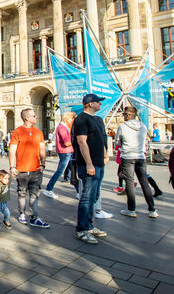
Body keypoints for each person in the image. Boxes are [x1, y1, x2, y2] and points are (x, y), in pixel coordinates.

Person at [72, 94, 109, 244]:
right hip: (89, 164)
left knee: (94, 196)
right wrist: (88, 163)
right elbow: (82, 142)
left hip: (99, 162)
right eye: (98, 102)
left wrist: (106, 155)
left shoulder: (98, 119)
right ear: (90, 104)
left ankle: (89, 225)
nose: (100, 104)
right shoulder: (81, 119)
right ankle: (81, 229)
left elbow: (101, 139)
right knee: (86, 197)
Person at [9, 108, 50, 228]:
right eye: (34, 116)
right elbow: (12, 150)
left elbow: (42, 149)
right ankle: (22, 214)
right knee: (22, 193)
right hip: (22, 169)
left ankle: (35, 217)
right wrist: (12, 166)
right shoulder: (17, 132)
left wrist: (43, 164)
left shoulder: (38, 132)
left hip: (36, 169)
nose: (36, 117)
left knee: (34, 194)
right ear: (26, 118)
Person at [116, 107, 159, 218]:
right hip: (140, 156)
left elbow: (117, 142)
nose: (123, 116)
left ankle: (131, 209)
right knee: (144, 182)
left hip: (127, 156)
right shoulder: (143, 126)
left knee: (129, 183)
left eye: (124, 114)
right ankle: (152, 210)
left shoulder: (122, 127)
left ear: (128, 115)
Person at [44, 112, 76, 199]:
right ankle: (48, 189)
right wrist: (75, 141)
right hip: (65, 152)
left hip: (67, 152)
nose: (72, 120)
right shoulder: (62, 128)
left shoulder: (62, 127)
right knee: (60, 171)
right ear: (67, 119)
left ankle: (78, 191)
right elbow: (66, 143)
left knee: (72, 171)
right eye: (71, 119)